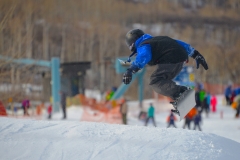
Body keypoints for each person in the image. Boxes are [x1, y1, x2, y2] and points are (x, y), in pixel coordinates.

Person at [122, 29, 208, 114]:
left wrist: (131, 69)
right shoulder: (156, 40)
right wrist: (195, 54)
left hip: (171, 58)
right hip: (181, 58)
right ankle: (181, 97)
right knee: (163, 82)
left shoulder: (143, 45)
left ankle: (182, 94)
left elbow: (144, 56)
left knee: (155, 81)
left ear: (132, 43)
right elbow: (179, 43)